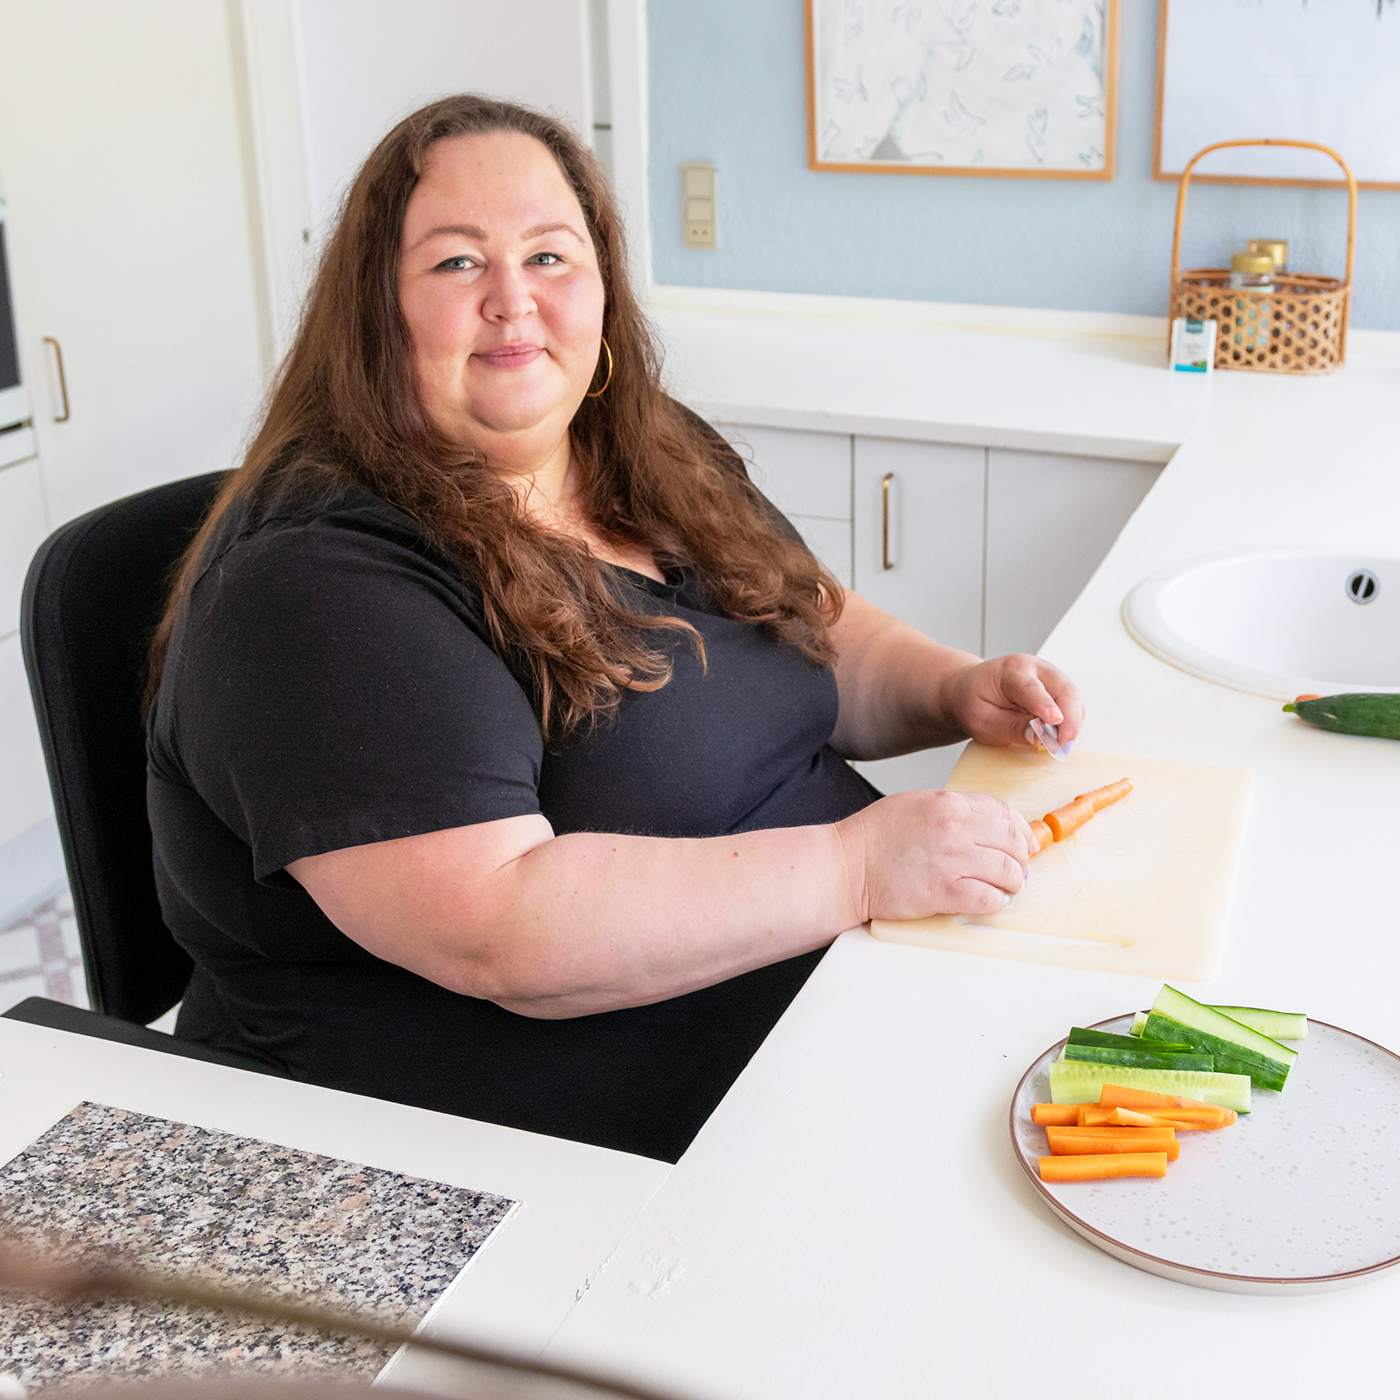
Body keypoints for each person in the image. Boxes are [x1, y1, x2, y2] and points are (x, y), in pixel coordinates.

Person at [146, 96, 1083, 1162]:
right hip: (513, 1158)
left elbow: (812, 624)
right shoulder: (314, 583)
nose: (512, 301)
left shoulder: (633, 442)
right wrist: (855, 868)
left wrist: (950, 686)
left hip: (814, 1028)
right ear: (372, 309)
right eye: (456, 265)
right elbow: (504, 926)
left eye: (550, 255)